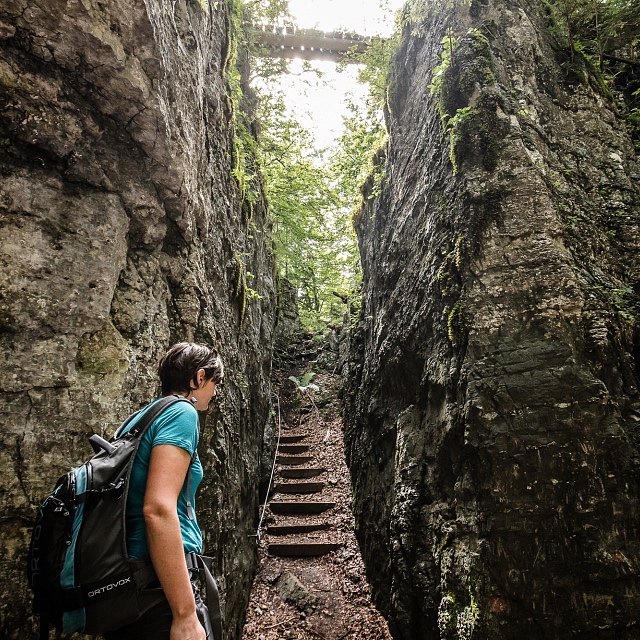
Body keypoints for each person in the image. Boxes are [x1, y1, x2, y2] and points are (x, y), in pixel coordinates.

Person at [104, 342, 224, 640]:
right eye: (214, 382)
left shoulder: (140, 419)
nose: (215, 391)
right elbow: (158, 509)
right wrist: (184, 615)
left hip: (124, 581)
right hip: (157, 587)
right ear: (198, 378)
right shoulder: (183, 413)